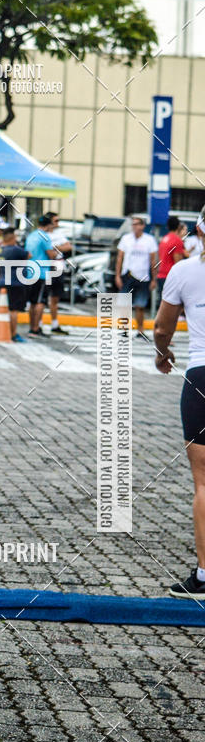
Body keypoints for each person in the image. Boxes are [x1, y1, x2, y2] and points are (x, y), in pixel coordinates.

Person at [154, 209, 205, 600]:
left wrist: (163, 354)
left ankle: (204, 576)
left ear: (199, 231)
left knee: (204, 482)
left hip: (202, 375)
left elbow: (161, 327)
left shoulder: (185, 272)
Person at [115, 216, 157, 338]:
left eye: (137, 224)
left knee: (140, 305)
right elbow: (119, 258)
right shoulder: (126, 239)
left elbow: (153, 261)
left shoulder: (149, 240)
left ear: (143, 226)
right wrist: (117, 275)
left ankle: (140, 330)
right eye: (133, 224)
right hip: (128, 275)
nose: (134, 227)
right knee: (124, 304)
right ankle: (124, 329)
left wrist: (154, 279)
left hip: (143, 276)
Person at [24, 215, 58, 338]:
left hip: (30, 271)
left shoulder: (31, 235)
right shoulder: (45, 237)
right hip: (42, 272)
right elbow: (51, 254)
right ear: (48, 225)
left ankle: (31, 327)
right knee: (40, 302)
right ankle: (35, 328)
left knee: (32, 302)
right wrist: (56, 252)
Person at [0, 227, 29, 342]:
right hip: (15, 283)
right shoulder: (16, 250)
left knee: (6, 308)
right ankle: (13, 334)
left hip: (3, 281)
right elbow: (29, 255)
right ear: (13, 238)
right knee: (14, 310)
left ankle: (7, 331)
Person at [45, 211, 72, 335]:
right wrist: (57, 247)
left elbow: (68, 246)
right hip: (46, 265)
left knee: (56, 296)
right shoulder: (43, 234)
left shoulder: (59, 234)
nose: (58, 223)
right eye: (56, 221)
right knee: (43, 296)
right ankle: (38, 324)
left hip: (58, 264)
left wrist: (55, 247)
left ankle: (54, 323)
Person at [157, 216, 188, 308]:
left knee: (162, 304)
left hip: (161, 275)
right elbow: (178, 262)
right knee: (172, 306)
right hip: (171, 276)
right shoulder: (177, 240)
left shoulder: (164, 239)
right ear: (178, 226)